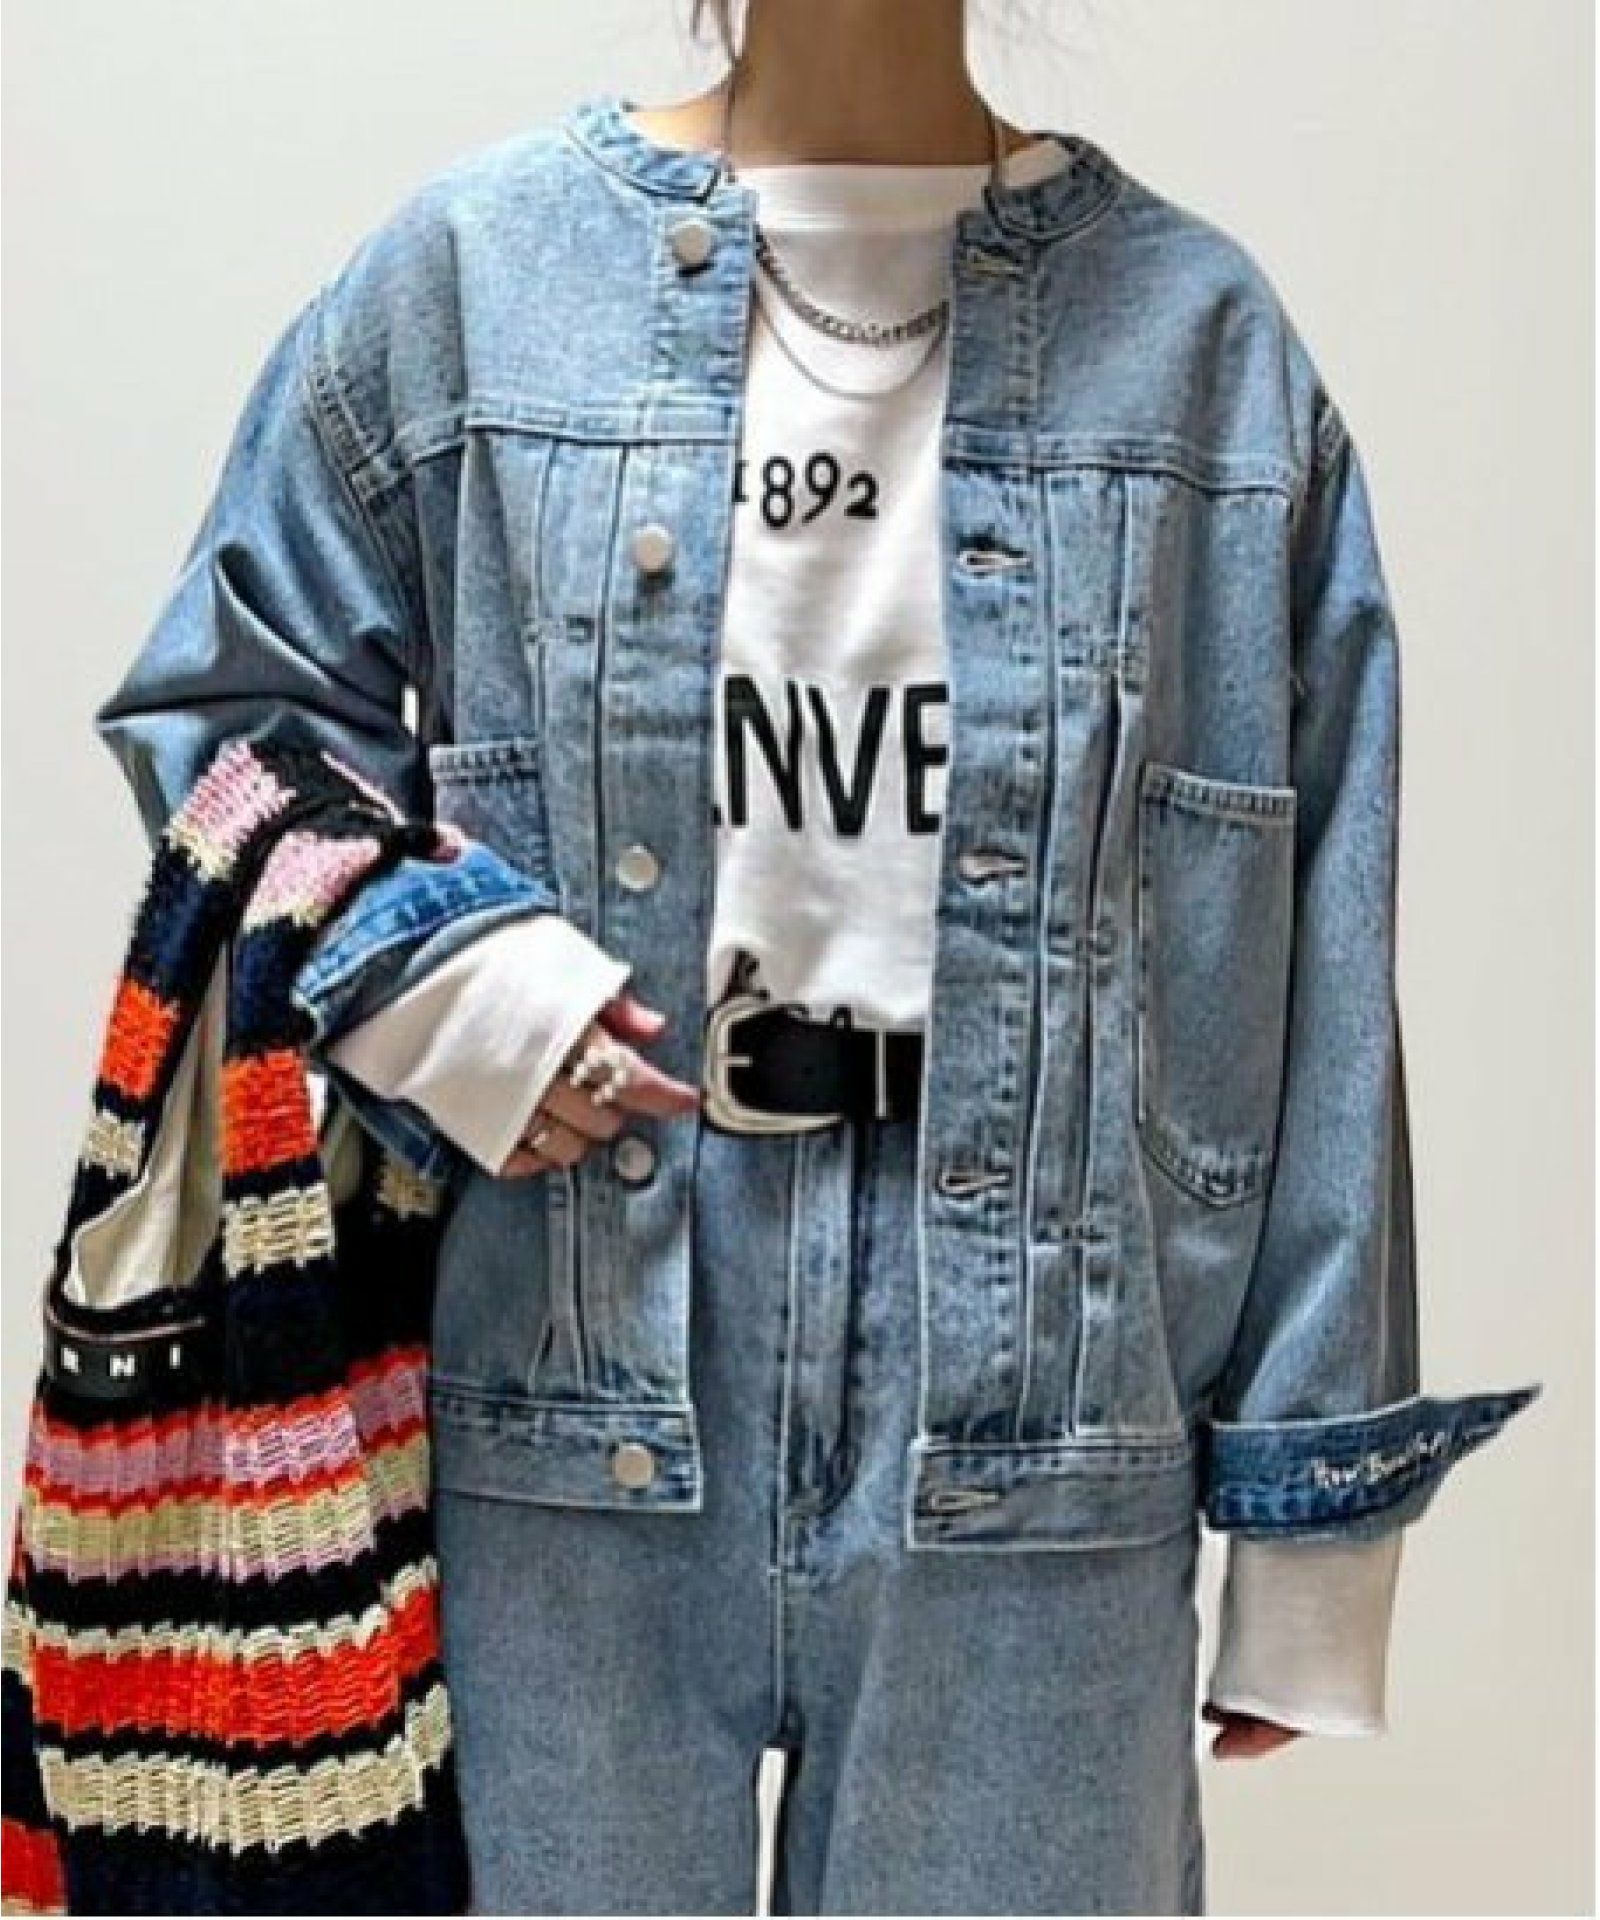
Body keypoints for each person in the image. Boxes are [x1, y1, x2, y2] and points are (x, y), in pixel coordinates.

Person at [89, 2, 1540, 1912]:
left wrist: (1312, 1520)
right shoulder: (476, 283)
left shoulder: (1203, 349)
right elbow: (233, 711)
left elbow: (1315, 930)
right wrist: (468, 1002)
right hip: (564, 1404)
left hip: (1044, 1437)